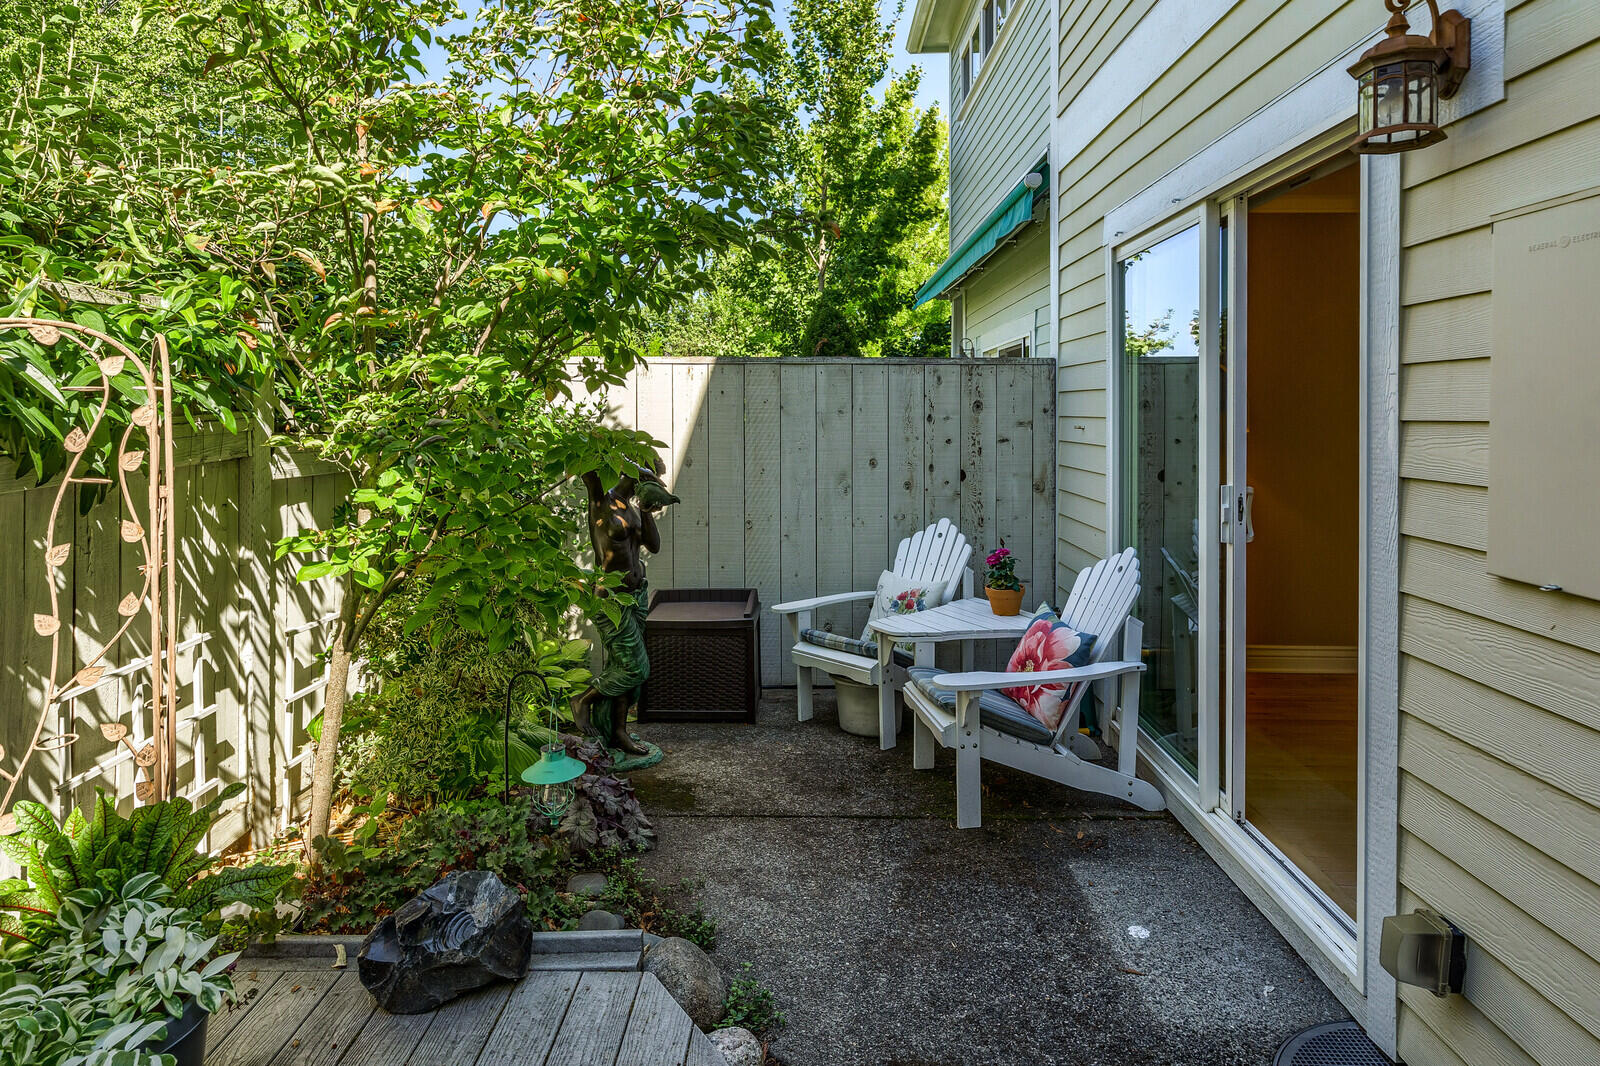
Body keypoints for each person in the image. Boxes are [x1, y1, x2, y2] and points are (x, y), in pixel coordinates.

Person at [570, 463, 667, 755]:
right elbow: (586, 461)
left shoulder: (634, 508)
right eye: (651, 475)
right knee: (635, 668)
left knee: (624, 669)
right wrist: (630, 458)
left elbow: (654, 545)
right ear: (634, 471)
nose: (654, 481)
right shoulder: (601, 498)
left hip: (635, 596)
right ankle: (582, 700)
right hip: (611, 598)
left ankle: (618, 732)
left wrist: (648, 509)